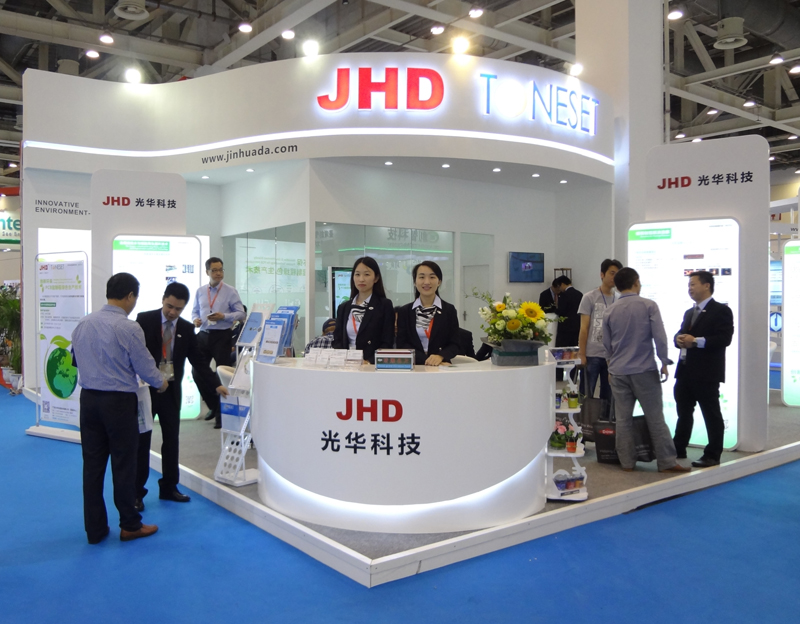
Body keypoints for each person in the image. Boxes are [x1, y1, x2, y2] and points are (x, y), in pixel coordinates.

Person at [71, 273, 168, 544]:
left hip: (89, 401)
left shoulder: (83, 323)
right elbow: (145, 367)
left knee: (92, 466)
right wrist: (161, 383)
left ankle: (95, 529)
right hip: (119, 403)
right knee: (124, 464)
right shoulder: (128, 328)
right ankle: (130, 525)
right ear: (130, 296)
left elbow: (75, 359)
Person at [135, 282, 229, 510]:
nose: (172, 312)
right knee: (141, 441)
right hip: (146, 390)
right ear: (163, 299)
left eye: (178, 309)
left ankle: (169, 488)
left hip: (171, 391)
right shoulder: (144, 320)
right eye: (169, 306)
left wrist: (216, 384)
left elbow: (198, 360)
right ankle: (136, 493)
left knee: (171, 441)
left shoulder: (186, 329)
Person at [601, 267, 689, 473]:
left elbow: (606, 344)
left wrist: (610, 366)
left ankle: (627, 462)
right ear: (636, 283)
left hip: (618, 371)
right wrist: (664, 361)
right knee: (655, 417)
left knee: (623, 419)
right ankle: (667, 462)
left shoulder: (609, 311)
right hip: (644, 370)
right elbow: (660, 336)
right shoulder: (649, 306)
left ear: (618, 286)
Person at [673, 271, 734, 468]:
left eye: (693, 284)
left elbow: (724, 339)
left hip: (707, 373)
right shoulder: (689, 312)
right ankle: (678, 447)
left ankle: (713, 454)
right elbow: (682, 333)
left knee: (711, 413)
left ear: (707, 285)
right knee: (683, 412)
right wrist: (678, 339)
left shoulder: (721, 310)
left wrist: (696, 341)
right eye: (689, 285)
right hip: (685, 371)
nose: (690, 288)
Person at [191, 257, 245, 428]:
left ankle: (222, 416)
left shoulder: (230, 291)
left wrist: (224, 316)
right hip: (203, 334)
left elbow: (241, 313)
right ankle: (214, 406)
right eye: (214, 270)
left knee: (222, 374)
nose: (218, 273)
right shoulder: (200, 291)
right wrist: (195, 320)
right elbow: (194, 311)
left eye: (220, 269)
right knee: (197, 372)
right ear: (207, 272)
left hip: (222, 336)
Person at [395, 261, 461, 366]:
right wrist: (426, 360)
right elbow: (402, 344)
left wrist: (440, 356)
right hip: (414, 366)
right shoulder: (405, 311)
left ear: (439, 281)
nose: (426, 282)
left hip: (441, 365)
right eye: (421, 277)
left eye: (432, 277)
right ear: (415, 281)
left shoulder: (449, 310)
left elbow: (455, 344)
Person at [332, 256, 394, 363]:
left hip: (371, 364)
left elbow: (387, 342)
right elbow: (337, 339)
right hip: (347, 363)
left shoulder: (384, 305)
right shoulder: (344, 307)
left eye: (367, 274)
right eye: (357, 274)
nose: (361, 279)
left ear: (376, 278)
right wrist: (343, 358)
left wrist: (370, 361)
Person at [578, 259, 622, 400]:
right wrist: (582, 354)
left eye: (617, 274)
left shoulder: (620, 299)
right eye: (612, 273)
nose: (614, 277)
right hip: (592, 354)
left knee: (608, 395)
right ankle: (584, 415)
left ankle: (605, 415)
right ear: (602, 274)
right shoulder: (589, 297)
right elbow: (584, 328)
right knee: (586, 393)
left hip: (612, 356)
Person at [554, 276, 582, 348]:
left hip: (565, 328)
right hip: (577, 326)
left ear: (562, 284)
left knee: (563, 349)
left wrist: (555, 309)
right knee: (574, 349)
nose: (559, 289)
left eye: (559, 286)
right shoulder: (579, 294)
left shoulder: (563, 295)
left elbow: (561, 311)